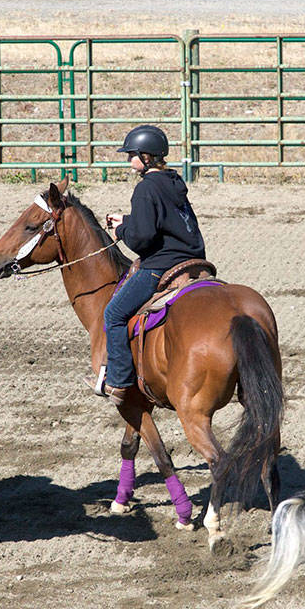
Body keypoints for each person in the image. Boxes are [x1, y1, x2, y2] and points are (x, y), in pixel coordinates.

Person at [95, 125, 206, 403]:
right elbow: (163, 222)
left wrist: (121, 231)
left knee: (113, 314)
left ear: (146, 156)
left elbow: (142, 240)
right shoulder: (172, 181)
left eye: (131, 153)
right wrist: (128, 220)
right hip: (193, 260)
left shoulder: (145, 188)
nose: (128, 157)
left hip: (161, 265)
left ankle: (119, 382)